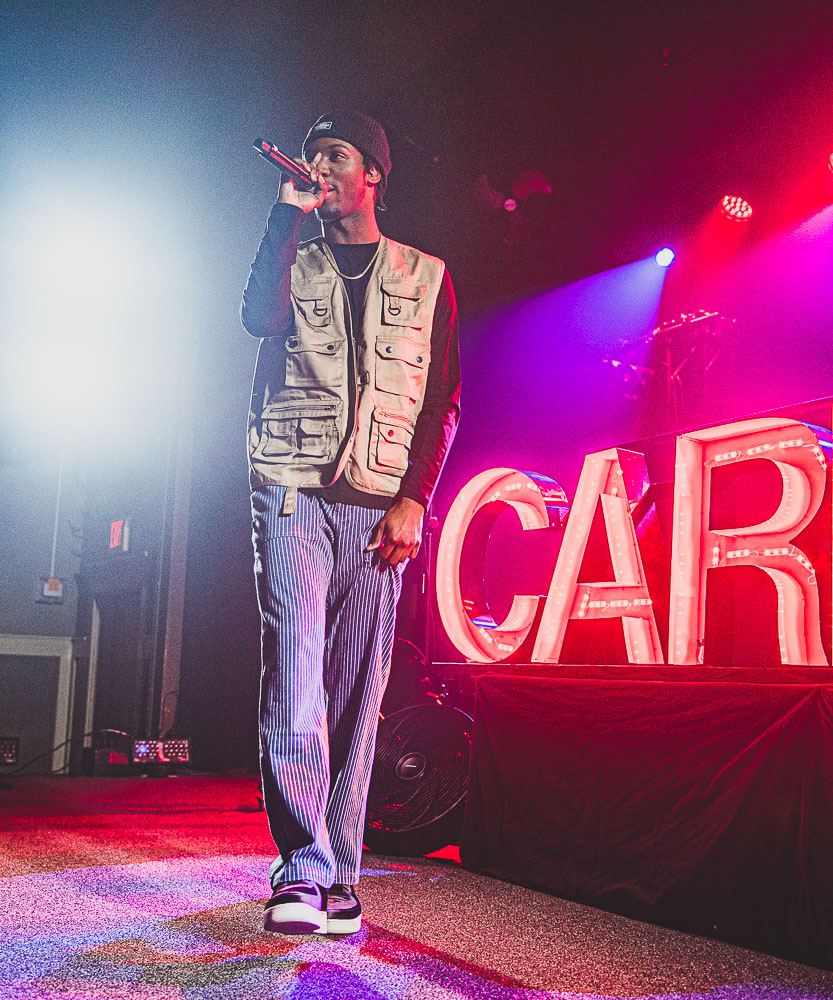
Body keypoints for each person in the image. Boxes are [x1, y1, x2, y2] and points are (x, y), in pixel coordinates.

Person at [240, 111, 460, 935]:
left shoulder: (426, 273)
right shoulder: (292, 250)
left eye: (335, 154)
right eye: (313, 152)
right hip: (292, 486)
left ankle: (337, 872)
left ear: (373, 171)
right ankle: (300, 870)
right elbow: (258, 320)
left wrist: (416, 498)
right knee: (294, 670)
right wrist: (285, 214)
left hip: (378, 504)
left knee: (354, 693)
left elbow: (441, 397)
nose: (319, 165)